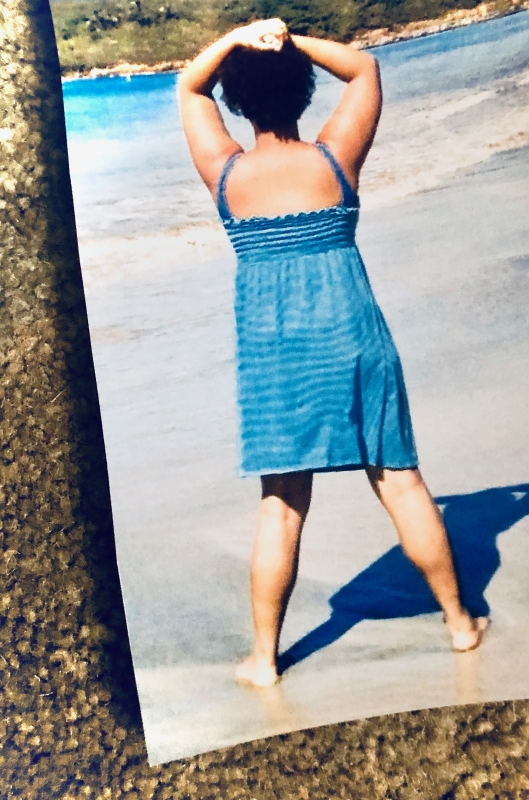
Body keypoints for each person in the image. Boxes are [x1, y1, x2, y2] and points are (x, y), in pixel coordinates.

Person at [178, 19, 488, 687]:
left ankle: (264, 661)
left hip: (275, 354)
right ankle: (460, 624)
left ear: (237, 101)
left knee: (281, 505)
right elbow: (365, 70)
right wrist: (289, 42)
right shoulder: (332, 160)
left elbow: (188, 84)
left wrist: (240, 39)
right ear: (302, 91)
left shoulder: (226, 174)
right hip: (354, 336)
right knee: (401, 482)